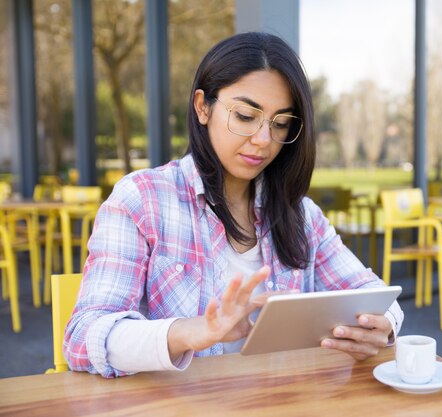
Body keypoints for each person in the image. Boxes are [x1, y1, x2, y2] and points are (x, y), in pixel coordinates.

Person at [64, 32, 404, 378]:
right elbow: (83, 339)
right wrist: (191, 332)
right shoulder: (143, 200)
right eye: (244, 116)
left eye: (281, 123)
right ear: (202, 107)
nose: (263, 140)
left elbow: (377, 295)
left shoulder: (300, 215)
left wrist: (383, 326)